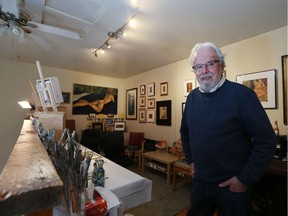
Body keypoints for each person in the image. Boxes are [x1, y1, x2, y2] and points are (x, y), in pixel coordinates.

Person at [180, 42, 276, 216]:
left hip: (232, 189)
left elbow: (266, 141)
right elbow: (185, 133)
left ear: (222, 66)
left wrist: (245, 180)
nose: (204, 71)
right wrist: (191, 161)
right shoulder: (192, 98)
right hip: (200, 185)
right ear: (194, 71)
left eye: (210, 63)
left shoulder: (242, 95)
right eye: (198, 66)